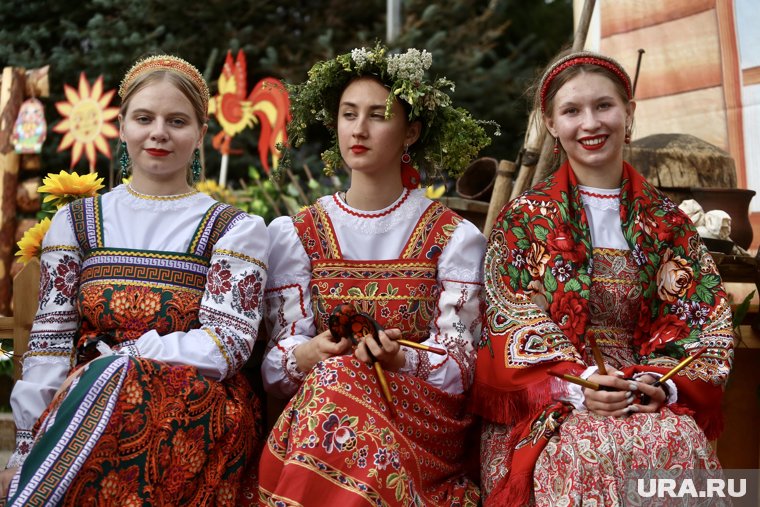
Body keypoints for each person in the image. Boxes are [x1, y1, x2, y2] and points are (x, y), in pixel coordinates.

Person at [470, 50, 735, 506]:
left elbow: (703, 322)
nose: (590, 123)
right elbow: (505, 321)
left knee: (678, 440)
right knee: (585, 449)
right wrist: (581, 383)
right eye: (572, 110)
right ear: (551, 124)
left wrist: (662, 384)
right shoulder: (524, 220)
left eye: (604, 106)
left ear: (628, 114)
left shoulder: (670, 224)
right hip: (555, 394)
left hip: (644, 388)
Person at [1, 55, 268, 506]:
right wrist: (26, 448)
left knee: (124, 388)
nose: (159, 132)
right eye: (144, 118)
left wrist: (119, 362)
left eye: (177, 121)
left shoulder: (234, 228)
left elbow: (227, 344)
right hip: (84, 401)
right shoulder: (79, 222)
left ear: (201, 133)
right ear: (122, 125)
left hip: (195, 406)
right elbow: (49, 343)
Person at [260, 44, 493, 506]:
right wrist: (309, 353)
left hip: (419, 425)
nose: (359, 129)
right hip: (322, 413)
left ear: (411, 132)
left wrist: (399, 360)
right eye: (349, 115)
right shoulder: (297, 234)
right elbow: (277, 362)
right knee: (337, 377)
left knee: (339, 380)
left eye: (378, 115)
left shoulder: (452, 237)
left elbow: (462, 366)